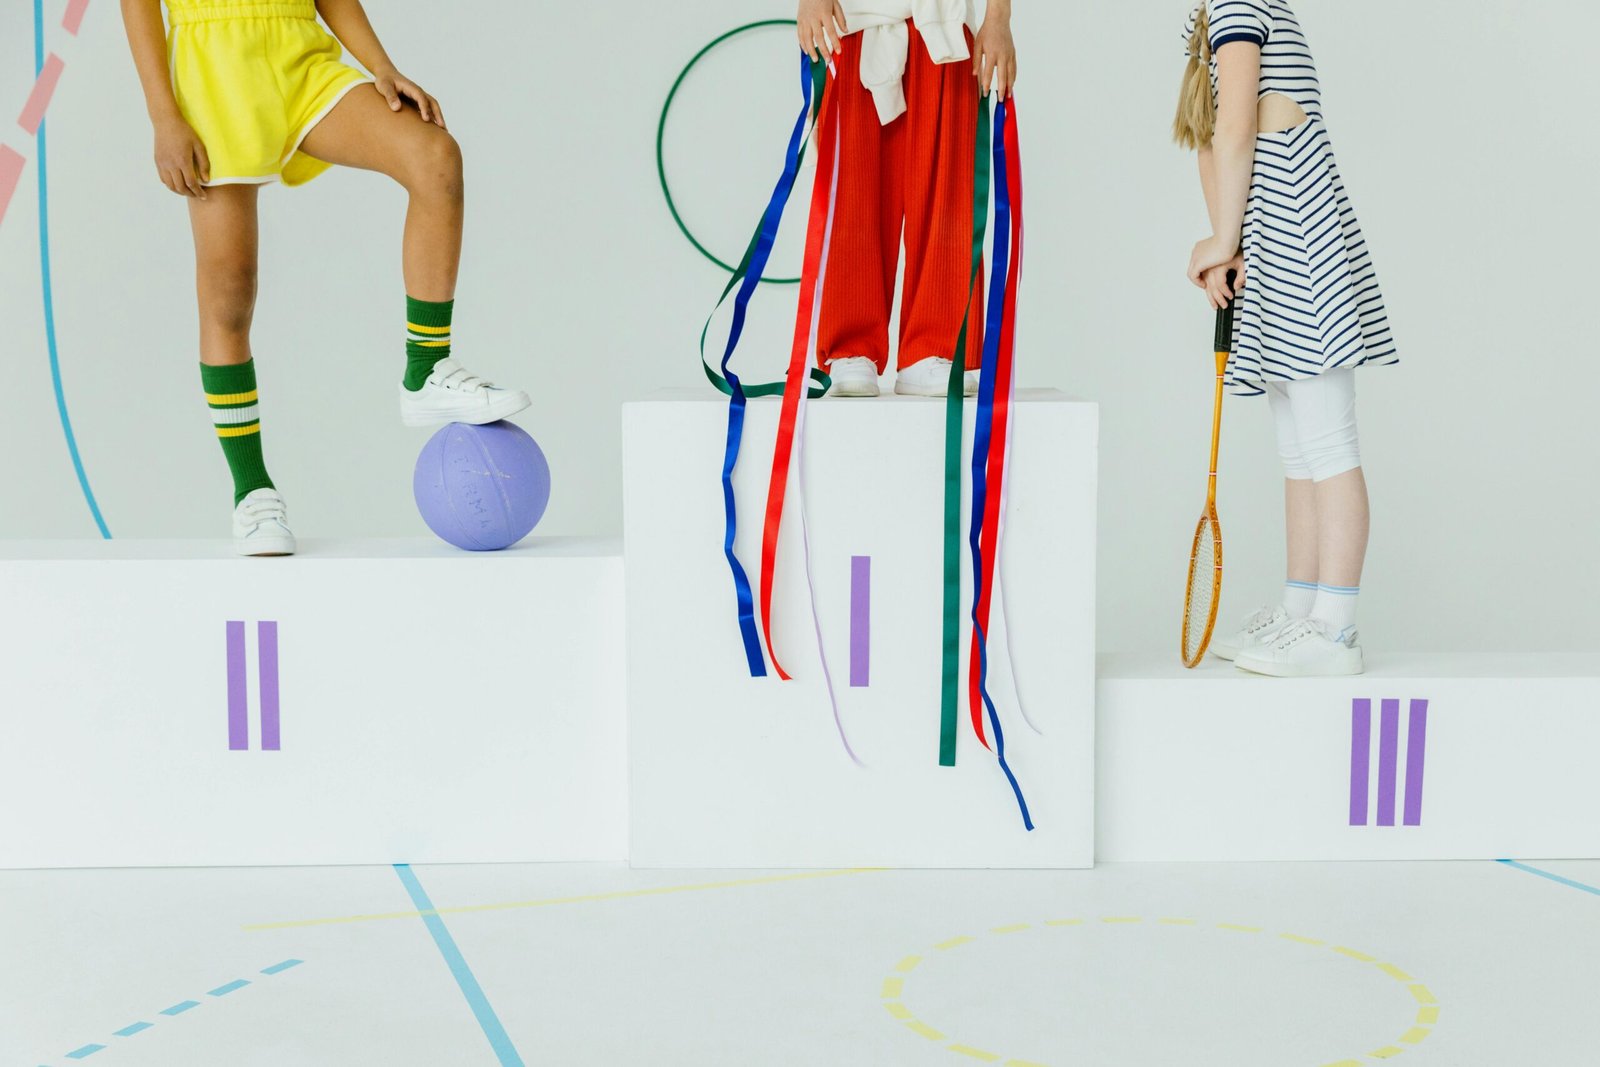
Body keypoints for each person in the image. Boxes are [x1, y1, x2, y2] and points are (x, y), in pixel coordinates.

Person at [121, 0, 530, 556]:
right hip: (213, 68)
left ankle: (426, 369)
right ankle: (252, 492)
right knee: (229, 294)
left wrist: (381, 66)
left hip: (301, 57)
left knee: (434, 155)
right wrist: (163, 116)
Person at [1175, 0, 1397, 676]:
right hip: (1267, 240)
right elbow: (1209, 139)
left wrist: (1221, 237)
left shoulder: (1243, 4)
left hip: (1300, 231)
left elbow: (1239, 126)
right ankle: (1301, 610)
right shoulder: (1206, 19)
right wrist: (1228, 244)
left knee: (1327, 443)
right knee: (1298, 450)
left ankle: (1335, 630)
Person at [795, 0, 1017, 397]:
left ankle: (935, 346)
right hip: (854, 20)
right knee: (853, 190)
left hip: (943, 21)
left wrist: (998, 18)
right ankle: (851, 346)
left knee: (948, 191)